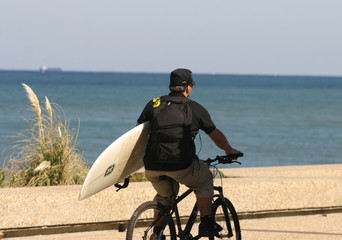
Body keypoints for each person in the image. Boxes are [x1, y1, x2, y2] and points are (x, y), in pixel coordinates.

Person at [137, 68, 241, 238]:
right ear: (187, 88)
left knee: (166, 196)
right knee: (205, 179)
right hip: (181, 166)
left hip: (153, 167)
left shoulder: (154, 103)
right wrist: (229, 150)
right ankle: (206, 222)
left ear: (171, 86)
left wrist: (128, 168)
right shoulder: (194, 108)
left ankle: (156, 234)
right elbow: (215, 134)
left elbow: (136, 135)